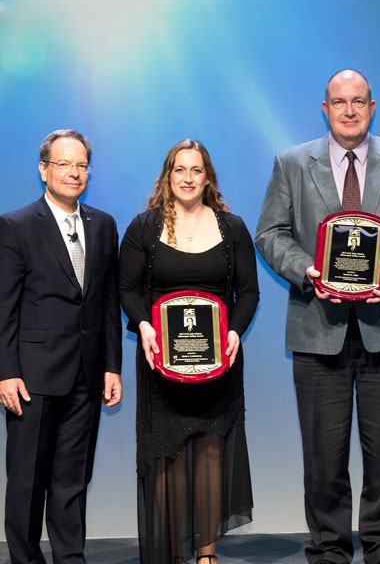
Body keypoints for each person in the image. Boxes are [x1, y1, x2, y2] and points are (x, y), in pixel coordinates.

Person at [255, 69, 380, 564]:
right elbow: (270, 234)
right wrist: (310, 272)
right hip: (318, 330)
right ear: (325, 108)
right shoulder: (292, 163)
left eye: (358, 101)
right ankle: (329, 549)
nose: (349, 110)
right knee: (324, 456)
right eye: (339, 102)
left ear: (372, 106)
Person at [119, 139, 259, 564]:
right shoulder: (143, 227)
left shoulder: (231, 228)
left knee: (212, 450)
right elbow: (126, 288)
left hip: (219, 361)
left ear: (207, 177)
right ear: (168, 176)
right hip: (162, 362)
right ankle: (175, 553)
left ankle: (206, 554)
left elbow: (249, 292)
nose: (188, 178)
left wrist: (235, 332)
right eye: (180, 170)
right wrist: (144, 325)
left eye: (196, 170)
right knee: (168, 455)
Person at [0, 129, 122, 563]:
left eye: (81, 165)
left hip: (86, 376)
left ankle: (71, 559)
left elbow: (108, 302)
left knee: (73, 480)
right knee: (28, 482)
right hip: (31, 377)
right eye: (64, 164)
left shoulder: (104, 225)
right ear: (43, 170)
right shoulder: (15, 225)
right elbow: (5, 307)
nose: (74, 173)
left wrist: (112, 366)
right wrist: (6, 372)